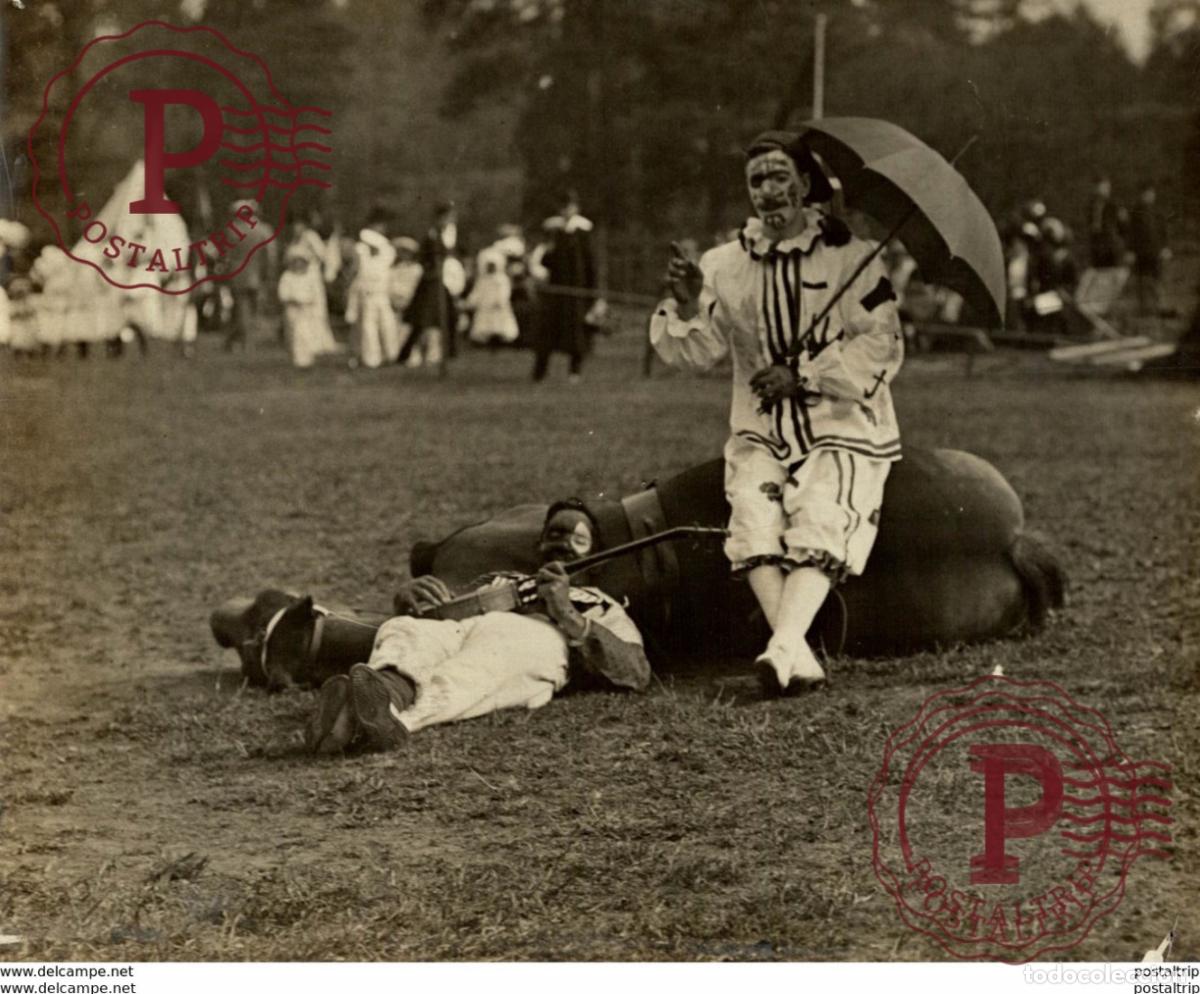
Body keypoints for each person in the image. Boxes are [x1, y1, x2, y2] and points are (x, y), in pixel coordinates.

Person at [650, 129, 903, 694]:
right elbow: (699, 353)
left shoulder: (853, 258)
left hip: (843, 425)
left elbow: (884, 343)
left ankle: (783, 645)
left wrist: (806, 374)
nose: (767, 190)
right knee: (752, 518)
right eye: (756, 180)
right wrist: (691, 302)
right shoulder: (725, 264)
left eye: (778, 177)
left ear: (806, 184)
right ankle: (796, 653)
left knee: (820, 511)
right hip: (761, 430)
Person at [305, 500, 650, 754]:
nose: (563, 543)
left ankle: (371, 720)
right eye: (555, 534)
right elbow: (437, 618)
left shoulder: (602, 604)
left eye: (578, 539)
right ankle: (385, 692)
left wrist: (567, 614)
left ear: (597, 555)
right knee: (409, 630)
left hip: (532, 645)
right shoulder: (499, 581)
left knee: (471, 671)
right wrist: (409, 601)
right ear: (539, 545)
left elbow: (636, 671)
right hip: (467, 625)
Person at [532, 191, 603, 383]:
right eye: (563, 206)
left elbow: (590, 265)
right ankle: (539, 372)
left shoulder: (583, 231)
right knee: (547, 332)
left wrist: (593, 293)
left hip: (576, 291)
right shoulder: (553, 230)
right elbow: (546, 261)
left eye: (569, 206)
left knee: (576, 334)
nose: (566, 211)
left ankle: (574, 372)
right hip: (556, 290)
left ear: (576, 207)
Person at [399, 202, 461, 375]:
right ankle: (405, 354)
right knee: (422, 320)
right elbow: (424, 258)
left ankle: (449, 352)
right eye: (447, 218)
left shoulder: (444, 234)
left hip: (440, 280)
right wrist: (431, 270)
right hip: (430, 282)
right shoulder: (432, 235)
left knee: (449, 316)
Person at [346, 210, 401, 369]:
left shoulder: (388, 250)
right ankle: (372, 359)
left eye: (382, 225)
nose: (380, 228)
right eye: (377, 225)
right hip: (367, 293)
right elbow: (356, 270)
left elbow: (389, 270)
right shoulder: (361, 249)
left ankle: (391, 355)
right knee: (368, 327)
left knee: (387, 324)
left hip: (382, 293)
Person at [1128, 183, 1171, 317]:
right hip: (1141, 252)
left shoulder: (1157, 212)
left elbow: (1163, 231)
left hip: (1155, 251)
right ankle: (1143, 309)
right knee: (1141, 281)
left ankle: (1161, 307)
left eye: (1151, 193)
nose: (1149, 196)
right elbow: (1131, 233)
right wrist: (1130, 251)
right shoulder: (1135, 212)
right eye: (1146, 193)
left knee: (1157, 280)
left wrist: (1165, 247)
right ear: (1141, 195)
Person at [465, 245, 519, 347]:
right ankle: (484, 340)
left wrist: (501, 301)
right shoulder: (482, 280)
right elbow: (477, 292)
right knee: (483, 325)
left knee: (500, 324)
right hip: (484, 306)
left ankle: (501, 341)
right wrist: (471, 302)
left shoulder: (502, 279)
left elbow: (505, 292)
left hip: (497, 306)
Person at [1086, 177, 1126, 269]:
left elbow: (1123, 226)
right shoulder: (1092, 206)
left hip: (1111, 245)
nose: (1105, 190)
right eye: (1102, 187)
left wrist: (1117, 240)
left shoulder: (1114, 205)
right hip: (1097, 244)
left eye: (1107, 188)